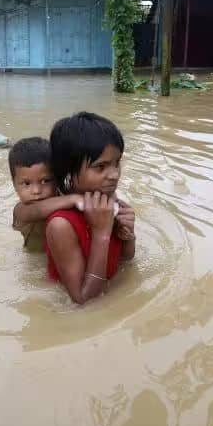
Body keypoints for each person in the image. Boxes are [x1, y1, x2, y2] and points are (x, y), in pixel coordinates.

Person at [44, 112, 136, 305]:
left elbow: (126, 260)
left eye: (117, 163)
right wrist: (101, 232)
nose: (114, 175)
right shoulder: (61, 225)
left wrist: (129, 233)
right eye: (100, 167)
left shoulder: (108, 199)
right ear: (68, 171)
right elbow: (83, 300)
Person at [8, 137, 83, 252]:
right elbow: (37, 210)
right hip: (35, 257)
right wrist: (74, 199)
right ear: (14, 185)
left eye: (45, 181)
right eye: (26, 183)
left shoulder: (64, 197)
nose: (36, 190)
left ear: (58, 180)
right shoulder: (21, 210)